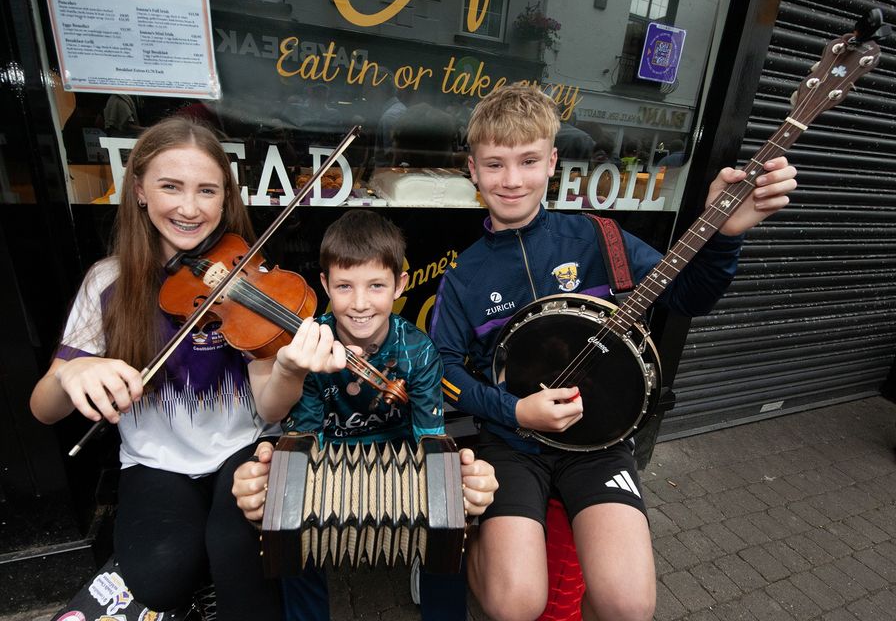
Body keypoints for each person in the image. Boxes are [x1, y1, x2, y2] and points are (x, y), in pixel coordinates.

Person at [428, 82, 798, 621]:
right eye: (495, 164)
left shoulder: (601, 239)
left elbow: (691, 295)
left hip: (601, 444)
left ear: (552, 161)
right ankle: (468, 540)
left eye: (528, 160)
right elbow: (442, 369)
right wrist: (513, 410)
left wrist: (725, 234)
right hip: (511, 443)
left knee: (629, 604)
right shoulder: (464, 275)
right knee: (515, 604)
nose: (511, 180)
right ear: (473, 169)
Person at [29, 117, 286, 620]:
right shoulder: (109, 281)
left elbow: (271, 402)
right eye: (171, 186)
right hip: (156, 460)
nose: (190, 208)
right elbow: (42, 410)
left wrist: (292, 367)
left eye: (207, 190)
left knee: (240, 556)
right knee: (157, 577)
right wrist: (69, 373)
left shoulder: (244, 273)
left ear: (224, 200)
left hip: (246, 447)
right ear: (141, 190)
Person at [232, 209, 499, 621]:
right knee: (285, 524)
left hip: (397, 460)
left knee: (451, 524)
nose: (359, 304)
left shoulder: (418, 351)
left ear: (400, 285)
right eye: (344, 286)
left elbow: (429, 434)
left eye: (376, 285)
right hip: (328, 459)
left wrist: (443, 490)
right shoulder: (312, 345)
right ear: (325, 284)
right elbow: (305, 433)